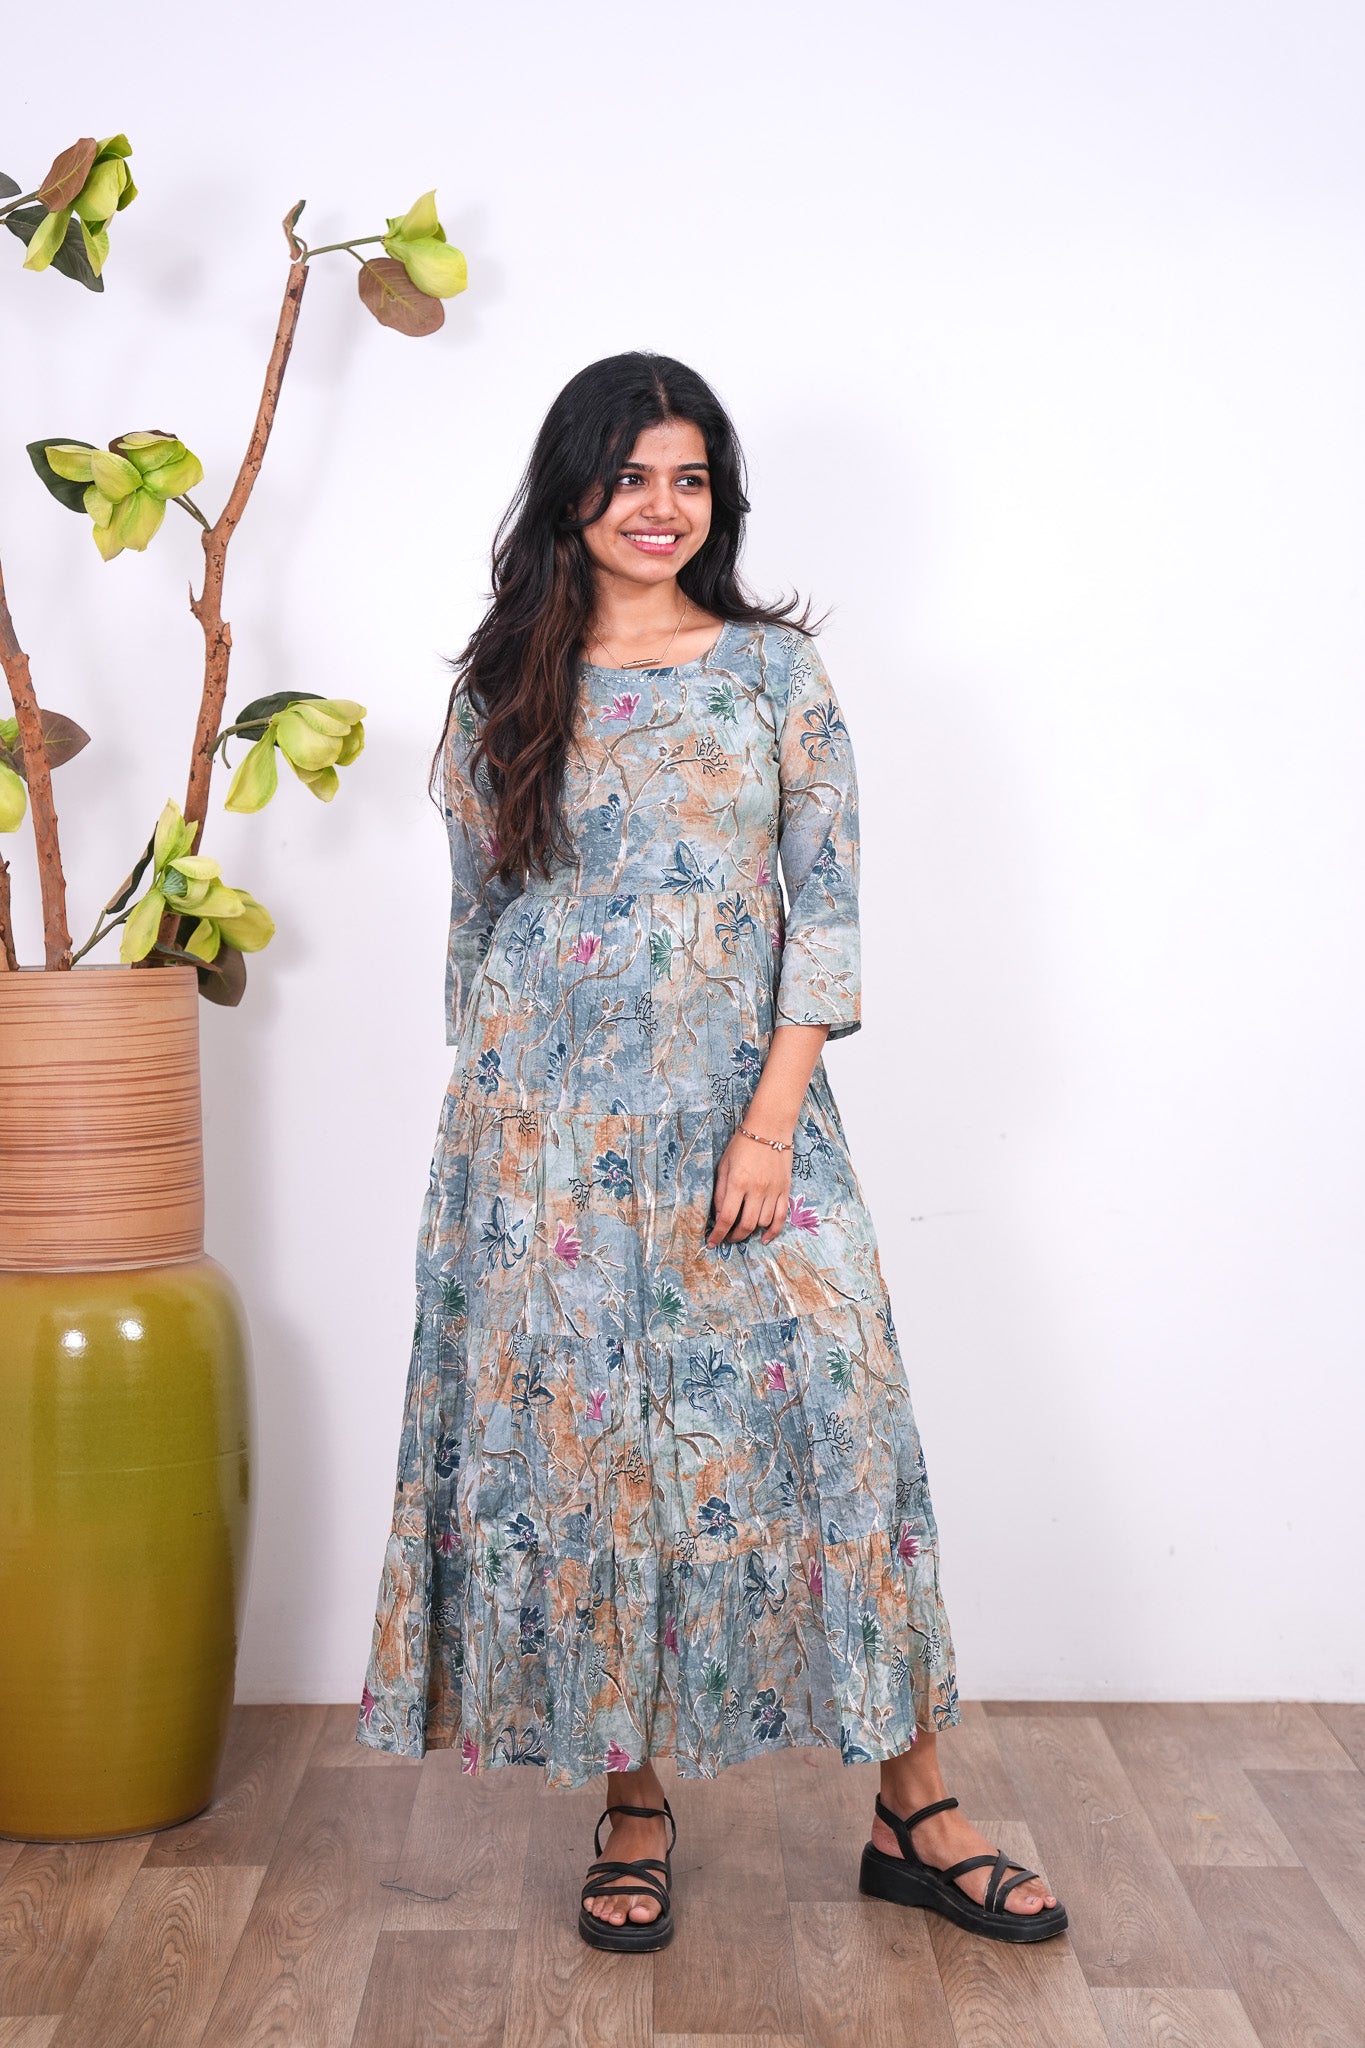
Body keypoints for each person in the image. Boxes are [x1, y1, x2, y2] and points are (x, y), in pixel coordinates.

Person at [356, 352, 1068, 1950]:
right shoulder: (503, 685)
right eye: (627, 479)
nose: (657, 508)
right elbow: (482, 919)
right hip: (541, 1142)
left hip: (742, 1119)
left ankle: (914, 1810)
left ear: (717, 501)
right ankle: (631, 1807)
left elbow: (826, 907)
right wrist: (498, 1149)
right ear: (570, 494)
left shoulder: (770, 675)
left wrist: (765, 1125)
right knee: (597, 1462)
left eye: (685, 479)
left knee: (841, 1430)